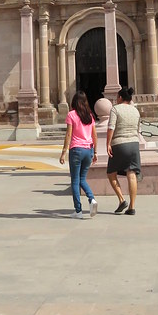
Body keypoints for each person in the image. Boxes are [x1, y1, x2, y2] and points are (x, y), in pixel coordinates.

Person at [59, 91, 98, 219]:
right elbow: (94, 135)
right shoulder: (90, 116)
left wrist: (63, 152)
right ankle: (91, 199)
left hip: (76, 149)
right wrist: (95, 151)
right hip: (89, 149)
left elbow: (69, 135)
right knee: (82, 179)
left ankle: (78, 210)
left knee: (75, 180)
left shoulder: (71, 115)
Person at [106, 86, 141, 215]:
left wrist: (108, 144)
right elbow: (138, 129)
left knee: (111, 173)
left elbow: (111, 127)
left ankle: (121, 199)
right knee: (131, 174)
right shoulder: (135, 110)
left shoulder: (115, 109)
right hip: (134, 144)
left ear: (120, 98)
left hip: (120, 144)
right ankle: (132, 206)